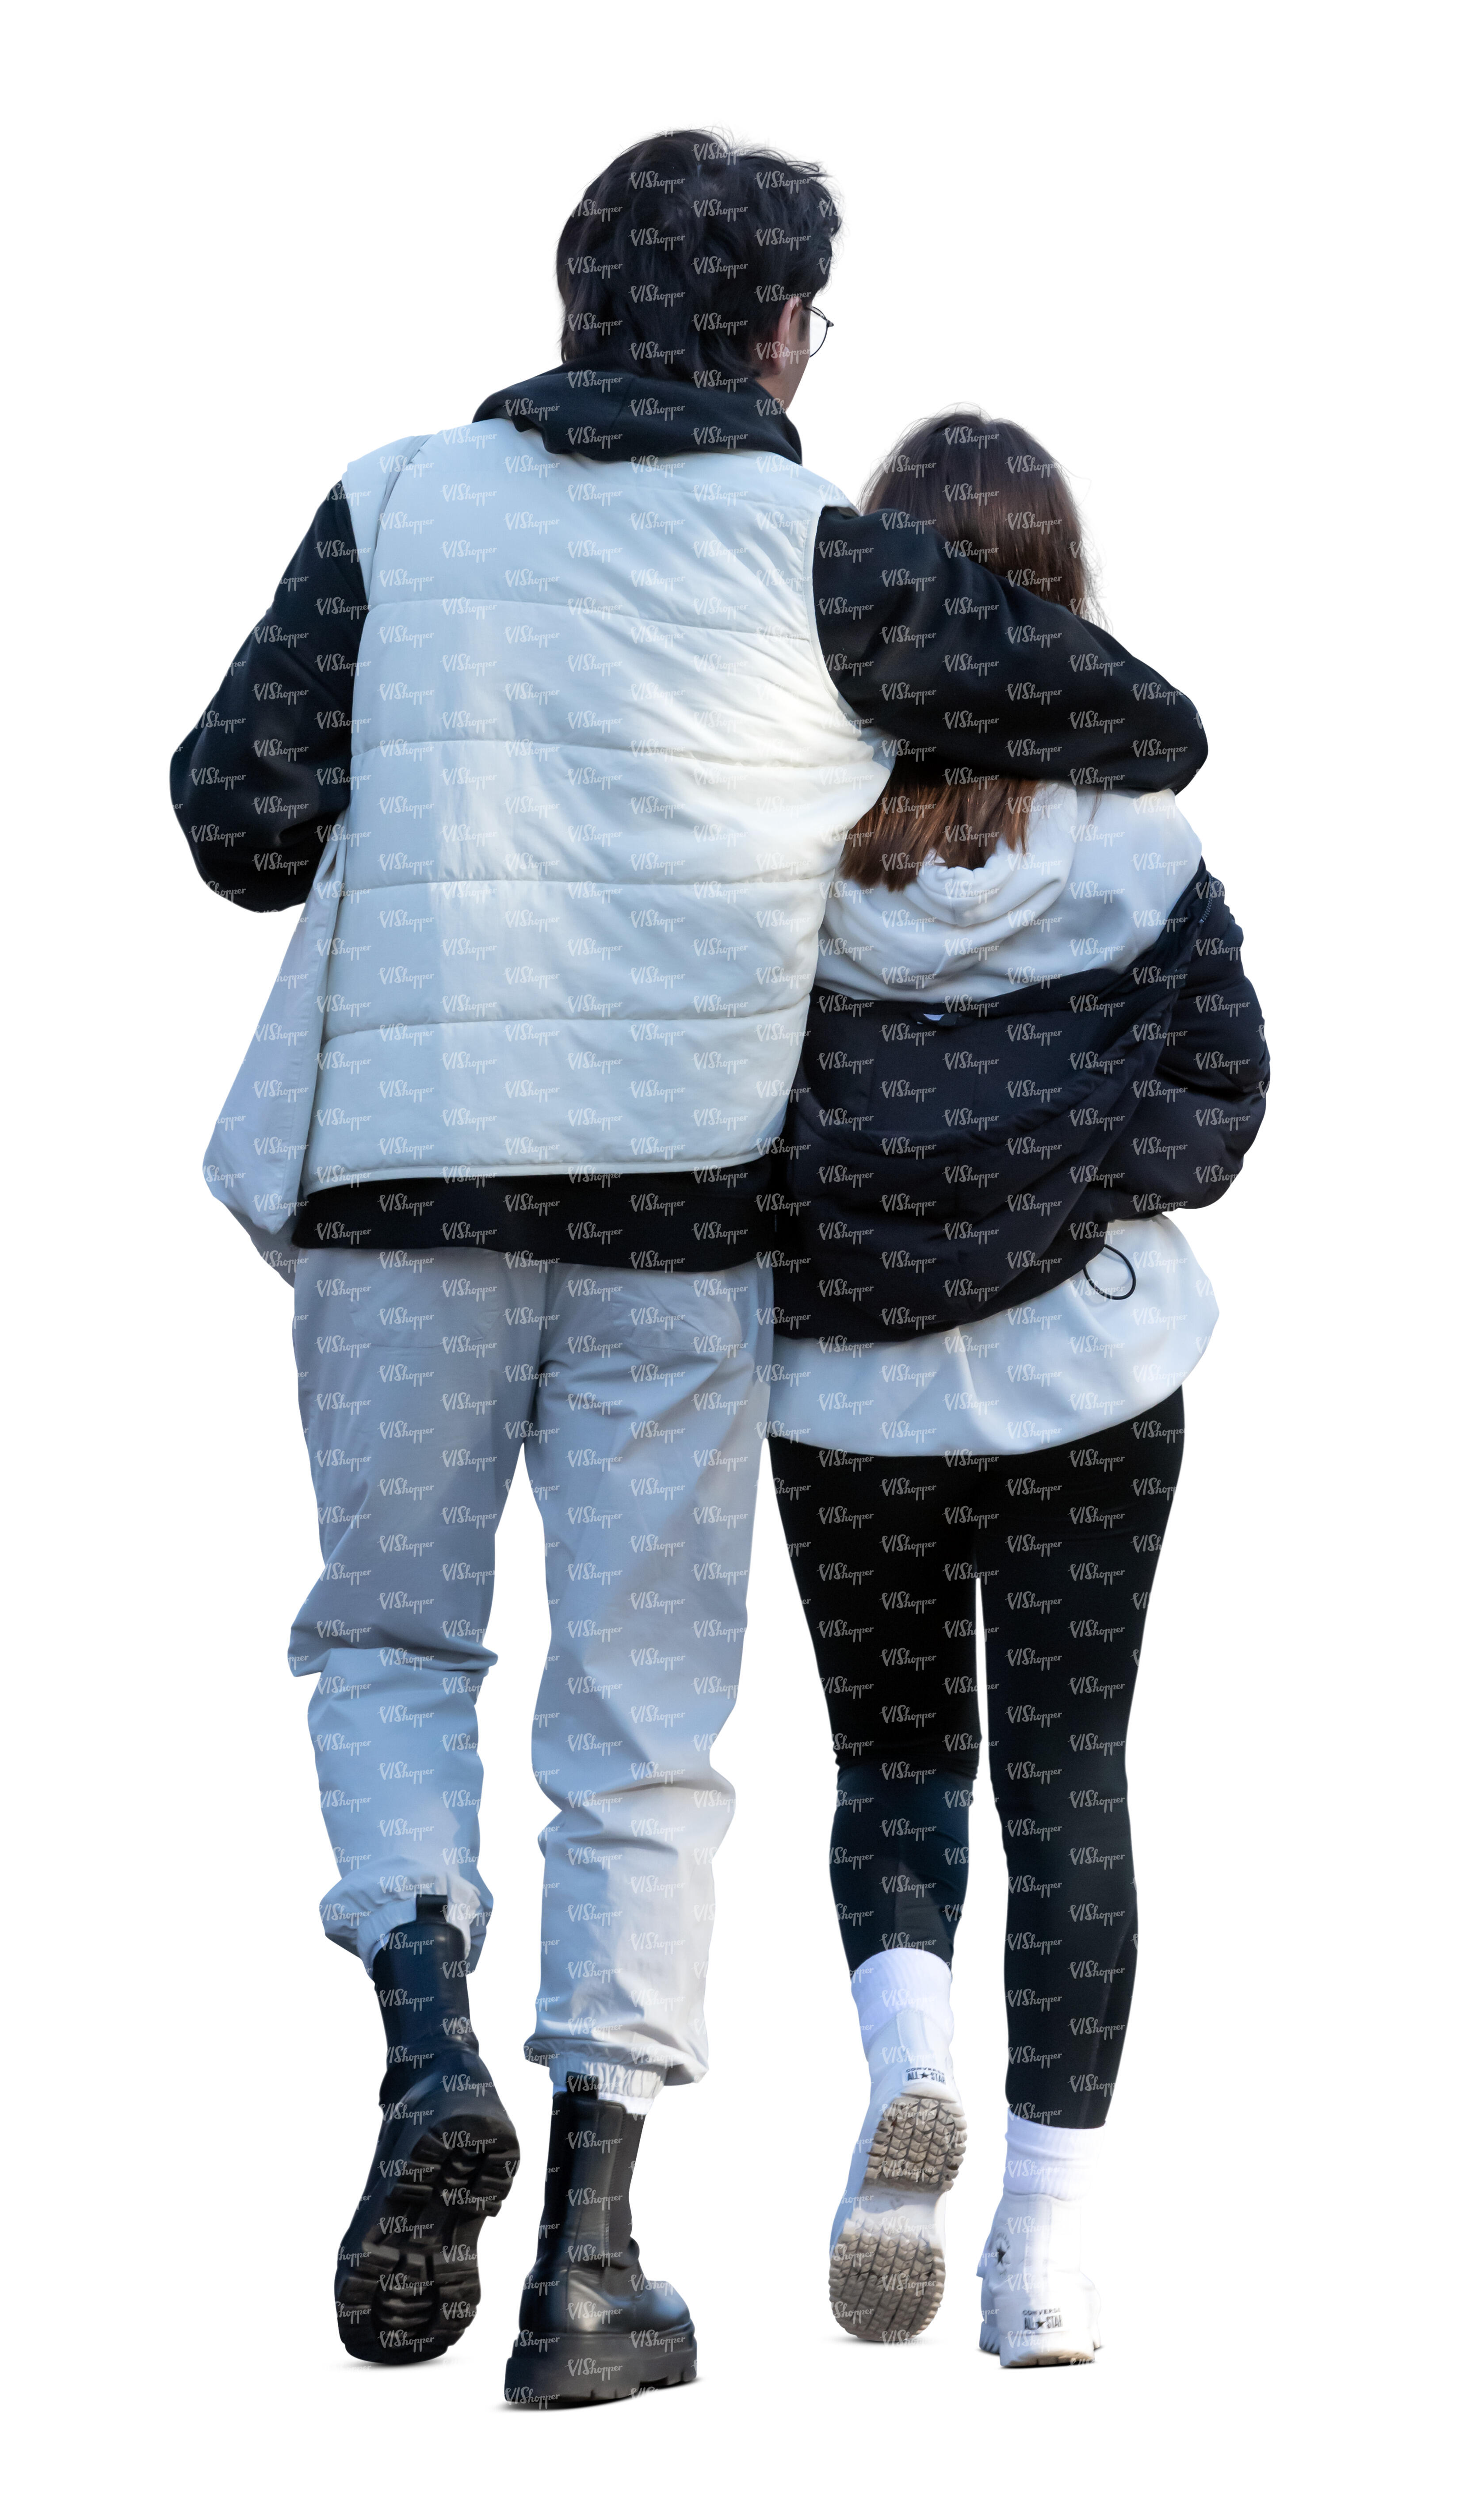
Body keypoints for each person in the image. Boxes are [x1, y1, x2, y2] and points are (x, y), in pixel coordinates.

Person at [169, 134, 1208, 2405]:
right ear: (779, 336)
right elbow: (1147, 729)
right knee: (641, 1729)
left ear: (572, 303)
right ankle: (590, 2265)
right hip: (675, 1220)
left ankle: (425, 2035)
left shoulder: (393, 507)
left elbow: (233, 821)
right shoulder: (829, 561)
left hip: (404, 1200)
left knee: (393, 1643)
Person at [768, 411, 1266, 2364]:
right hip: (1093, 1381)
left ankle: (909, 2064)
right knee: (1072, 1781)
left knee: (896, 1763)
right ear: (1063, 606)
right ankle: (1045, 2255)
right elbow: (1222, 1104)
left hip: (844, 1395)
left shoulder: (779, 847)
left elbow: (721, 1109)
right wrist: (1065, 1187)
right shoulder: (1144, 849)